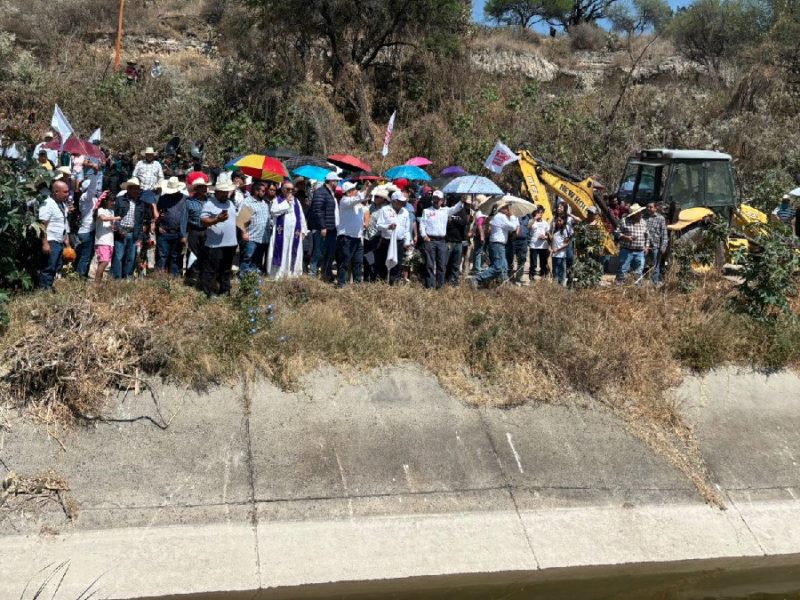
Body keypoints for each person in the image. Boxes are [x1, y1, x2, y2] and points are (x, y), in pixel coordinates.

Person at [200, 180, 238, 298]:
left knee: (226, 269)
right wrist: (217, 220)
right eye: (223, 192)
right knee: (211, 269)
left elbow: (234, 219)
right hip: (215, 244)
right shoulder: (209, 203)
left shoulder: (230, 203)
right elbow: (203, 221)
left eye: (227, 192)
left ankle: (225, 291)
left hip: (230, 243)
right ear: (216, 192)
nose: (225, 194)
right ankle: (208, 292)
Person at [419, 190, 463, 289]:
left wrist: (461, 200)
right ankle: (430, 286)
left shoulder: (446, 210)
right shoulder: (427, 211)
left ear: (442, 201)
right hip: (430, 240)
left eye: (438, 199)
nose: (436, 201)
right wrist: (424, 235)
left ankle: (440, 286)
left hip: (442, 241)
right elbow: (422, 224)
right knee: (429, 264)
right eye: (434, 198)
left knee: (442, 265)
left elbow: (456, 208)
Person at [471, 202, 519, 288]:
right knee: (498, 267)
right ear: (501, 209)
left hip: (498, 244)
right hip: (497, 244)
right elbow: (513, 227)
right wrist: (512, 216)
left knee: (503, 266)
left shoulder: (501, 217)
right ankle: (478, 278)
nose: (508, 209)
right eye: (506, 207)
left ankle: (504, 284)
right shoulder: (500, 217)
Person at [268, 180, 308, 279]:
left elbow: (301, 217)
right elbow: (274, 212)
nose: (290, 191)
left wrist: (303, 230)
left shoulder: (297, 201)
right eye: (288, 189)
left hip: (295, 234)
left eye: (292, 189)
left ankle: (291, 274)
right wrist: (286, 202)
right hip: (282, 234)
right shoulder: (277, 200)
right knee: (282, 252)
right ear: (282, 189)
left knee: (293, 253)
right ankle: (278, 275)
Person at [38, 180, 72, 290]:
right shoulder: (48, 203)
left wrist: (67, 242)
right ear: (56, 192)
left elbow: (64, 223)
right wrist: (45, 243)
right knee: (48, 267)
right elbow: (43, 224)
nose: (68, 194)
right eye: (65, 192)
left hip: (59, 241)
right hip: (51, 241)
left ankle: (49, 287)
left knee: (56, 267)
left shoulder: (62, 204)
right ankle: (44, 290)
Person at [112, 177, 146, 279]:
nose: (137, 191)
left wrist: (140, 237)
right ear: (129, 189)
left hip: (133, 232)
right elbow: (114, 216)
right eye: (135, 188)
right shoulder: (120, 200)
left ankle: (127, 276)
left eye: (138, 189)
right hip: (120, 232)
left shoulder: (140, 204)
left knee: (131, 257)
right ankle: (117, 278)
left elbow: (140, 222)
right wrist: (119, 229)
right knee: (119, 256)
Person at [309, 171, 340, 281]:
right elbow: (318, 211)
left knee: (329, 253)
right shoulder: (321, 192)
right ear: (332, 181)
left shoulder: (330, 192)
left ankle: (326, 275)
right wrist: (322, 227)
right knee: (319, 252)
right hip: (322, 229)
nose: (337, 183)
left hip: (331, 228)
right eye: (336, 181)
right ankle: (312, 276)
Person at [375, 191, 412, 284]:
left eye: (403, 201)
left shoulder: (405, 212)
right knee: (383, 264)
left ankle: (393, 284)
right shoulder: (385, 210)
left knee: (397, 265)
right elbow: (378, 225)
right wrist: (388, 226)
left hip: (399, 242)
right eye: (400, 201)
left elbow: (407, 229)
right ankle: (382, 284)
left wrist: (407, 242)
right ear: (394, 201)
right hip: (386, 241)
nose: (402, 203)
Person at [336, 181, 367, 286]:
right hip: (347, 237)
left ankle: (357, 284)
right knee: (345, 262)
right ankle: (342, 284)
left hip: (357, 237)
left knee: (358, 262)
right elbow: (359, 198)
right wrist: (369, 186)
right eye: (354, 190)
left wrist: (369, 187)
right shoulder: (344, 201)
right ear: (348, 192)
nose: (356, 191)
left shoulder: (357, 204)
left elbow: (364, 198)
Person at [155, 177, 188, 276]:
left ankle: (175, 277)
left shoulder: (185, 199)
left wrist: (185, 233)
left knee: (176, 256)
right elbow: (158, 213)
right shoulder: (163, 198)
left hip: (178, 232)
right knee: (162, 255)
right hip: (164, 231)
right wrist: (158, 225)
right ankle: (160, 276)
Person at [238, 181, 272, 276]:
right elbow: (241, 220)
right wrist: (244, 233)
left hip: (262, 238)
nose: (265, 193)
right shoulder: (248, 202)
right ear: (256, 191)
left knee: (257, 259)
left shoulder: (264, 203)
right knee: (248, 258)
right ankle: (243, 277)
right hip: (251, 237)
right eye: (263, 191)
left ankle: (254, 278)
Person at [184, 173, 210, 285]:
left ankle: (202, 274)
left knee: (205, 252)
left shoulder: (210, 201)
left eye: (205, 187)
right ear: (197, 189)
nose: (205, 189)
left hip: (207, 230)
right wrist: (184, 235)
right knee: (192, 253)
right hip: (194, 230)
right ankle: (190, 275)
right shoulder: (189, 202)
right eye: (202, 187)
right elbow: (184, 219)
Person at [615, 203, 649, 284]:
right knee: (623, 270)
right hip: (627, 251)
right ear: (634, 214)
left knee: (638, 271)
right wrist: (625, 237)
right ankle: (619, 286)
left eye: (641, 212)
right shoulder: (624, 221)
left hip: (640, 252)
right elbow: (616, 232)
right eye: (639, 212)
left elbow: (647, 235)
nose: (641, 214)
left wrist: (646, 246)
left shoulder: (643, 222)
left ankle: (636, 288)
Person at [445, 195, 472, 286]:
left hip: (458, 241)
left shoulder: (462, 211)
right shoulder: (447, 210)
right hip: (448, 240)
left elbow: (464, 222)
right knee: (447, 262)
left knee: (456, 263)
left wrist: (452, 220)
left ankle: (454, 280)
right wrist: (452, 221)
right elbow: (445, 225)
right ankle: (446, 279)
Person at [75, 179, 98, 279]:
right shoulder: (85, 197)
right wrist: (95, 174)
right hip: (86, 232)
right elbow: (91, 189)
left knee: (85, 255)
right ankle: (81, 276)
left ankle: (80, 273)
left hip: (90, 231)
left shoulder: (93, 199)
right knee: (85, 256)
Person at [94, 192, 120, 282]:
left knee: (103, 262)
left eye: (114, 201)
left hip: (109, 240)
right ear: (106, 201)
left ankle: (98, 282)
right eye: (111, 201)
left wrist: (114, 227)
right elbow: (102, 218)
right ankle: (96, 283)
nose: (113, 203)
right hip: (101, 240)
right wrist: (115, 218)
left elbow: (111, 225)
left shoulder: (111, 211)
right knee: (104, 262)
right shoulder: (101, 209)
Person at [644, 201, 668, 284]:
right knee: (642, 264)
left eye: (651, 207)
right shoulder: (644, 217)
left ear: (655, 208)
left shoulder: (661, 218)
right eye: (647, 207)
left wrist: (663, 246)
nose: (649, 209)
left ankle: (655, 282)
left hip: (655, 246)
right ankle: (640, 282)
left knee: (655, 266)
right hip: (645, 246)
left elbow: (664, 234)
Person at [506, 212, 529, 285]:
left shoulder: (528, 217)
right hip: (513, 240)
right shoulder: (513, 216)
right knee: (510, 259)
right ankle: (509, 277)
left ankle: (518, 278)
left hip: (523, 241)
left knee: (522, 259)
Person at [528, 206, 550, 280]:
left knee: (543, 263)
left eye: (541, 212)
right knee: (533, 263)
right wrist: (534, 218)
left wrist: (545, 237)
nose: (539, 214)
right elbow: (528, 226)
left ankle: (543, 276)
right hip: (534, 245)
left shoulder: (545, 223)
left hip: (543, 245)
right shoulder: (532, 221)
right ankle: (531, 277)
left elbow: (548, 234)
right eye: (538, 212)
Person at [550, 215, 571, 286]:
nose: (558, 222)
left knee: (561, 270)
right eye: (557, 221)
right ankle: (555, 284)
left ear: (563, 221)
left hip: (561, 255)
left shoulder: (565, 230)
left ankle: (561, 284)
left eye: (560, 221)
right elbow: (552, 240)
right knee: (555, 270)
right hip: (554, 254)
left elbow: (567, 243)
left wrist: (558, 249)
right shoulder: (554, 230)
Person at [470, 195, 488, 274]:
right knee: (478, 251)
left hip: (479, 234)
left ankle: (476, 267)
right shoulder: (480, 213)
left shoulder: (479, 212)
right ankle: (477, 268)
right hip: (480, 234)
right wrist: (482, 236)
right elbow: (480, 225)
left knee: (478, 251)